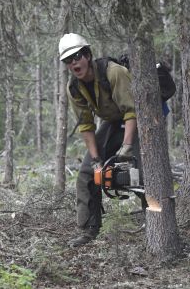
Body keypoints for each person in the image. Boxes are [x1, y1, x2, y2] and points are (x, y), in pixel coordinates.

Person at [58, 33, 145, 247]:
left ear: (87, 55)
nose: (74, 63)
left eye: (77, 56)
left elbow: (131, 111)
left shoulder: (114, 73)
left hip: (139, 120)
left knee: (144, 173)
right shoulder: (74, 88)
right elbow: (86, 125)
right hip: (113, 122)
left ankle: (155, 223)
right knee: (88, 173)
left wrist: (126, 148)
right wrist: (97, 160)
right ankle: (89, 229)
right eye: (68, 60)